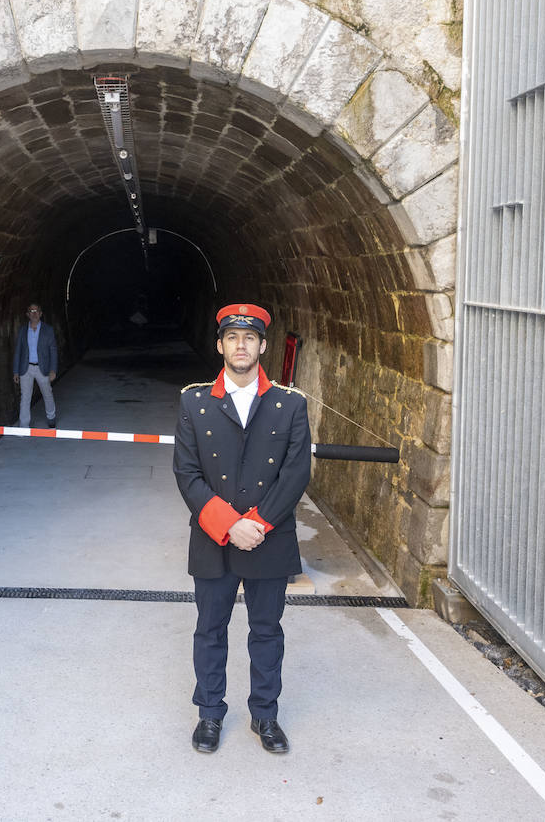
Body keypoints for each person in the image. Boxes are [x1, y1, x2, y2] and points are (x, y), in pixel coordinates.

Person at [173, 303, 311, 755]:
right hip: (215, 538)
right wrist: (229, 525)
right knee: (210, 629)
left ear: (263, 346)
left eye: (249, 338)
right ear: (220, 345)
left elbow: (295, 474)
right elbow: (187, 473)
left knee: (266, 630)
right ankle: (210, 714)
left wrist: (257, 523)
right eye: (232, 337)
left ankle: (265, 716)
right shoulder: (194, 401)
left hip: (268, 537)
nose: (241, 345)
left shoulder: (290, 404)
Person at [12, 302, 58, 428]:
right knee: (25, 397)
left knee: (47, 393)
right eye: (31, 311)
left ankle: (51, 417)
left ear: (41, 314)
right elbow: (18, 351)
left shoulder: (48, 330)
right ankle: (24, 425)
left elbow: (53, 350)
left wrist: (53, 370)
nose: (34, 313)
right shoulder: (22, 330)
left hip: (42, 368)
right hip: (25, 369)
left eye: (36, 311)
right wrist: (16, 371)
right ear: (27, 314)